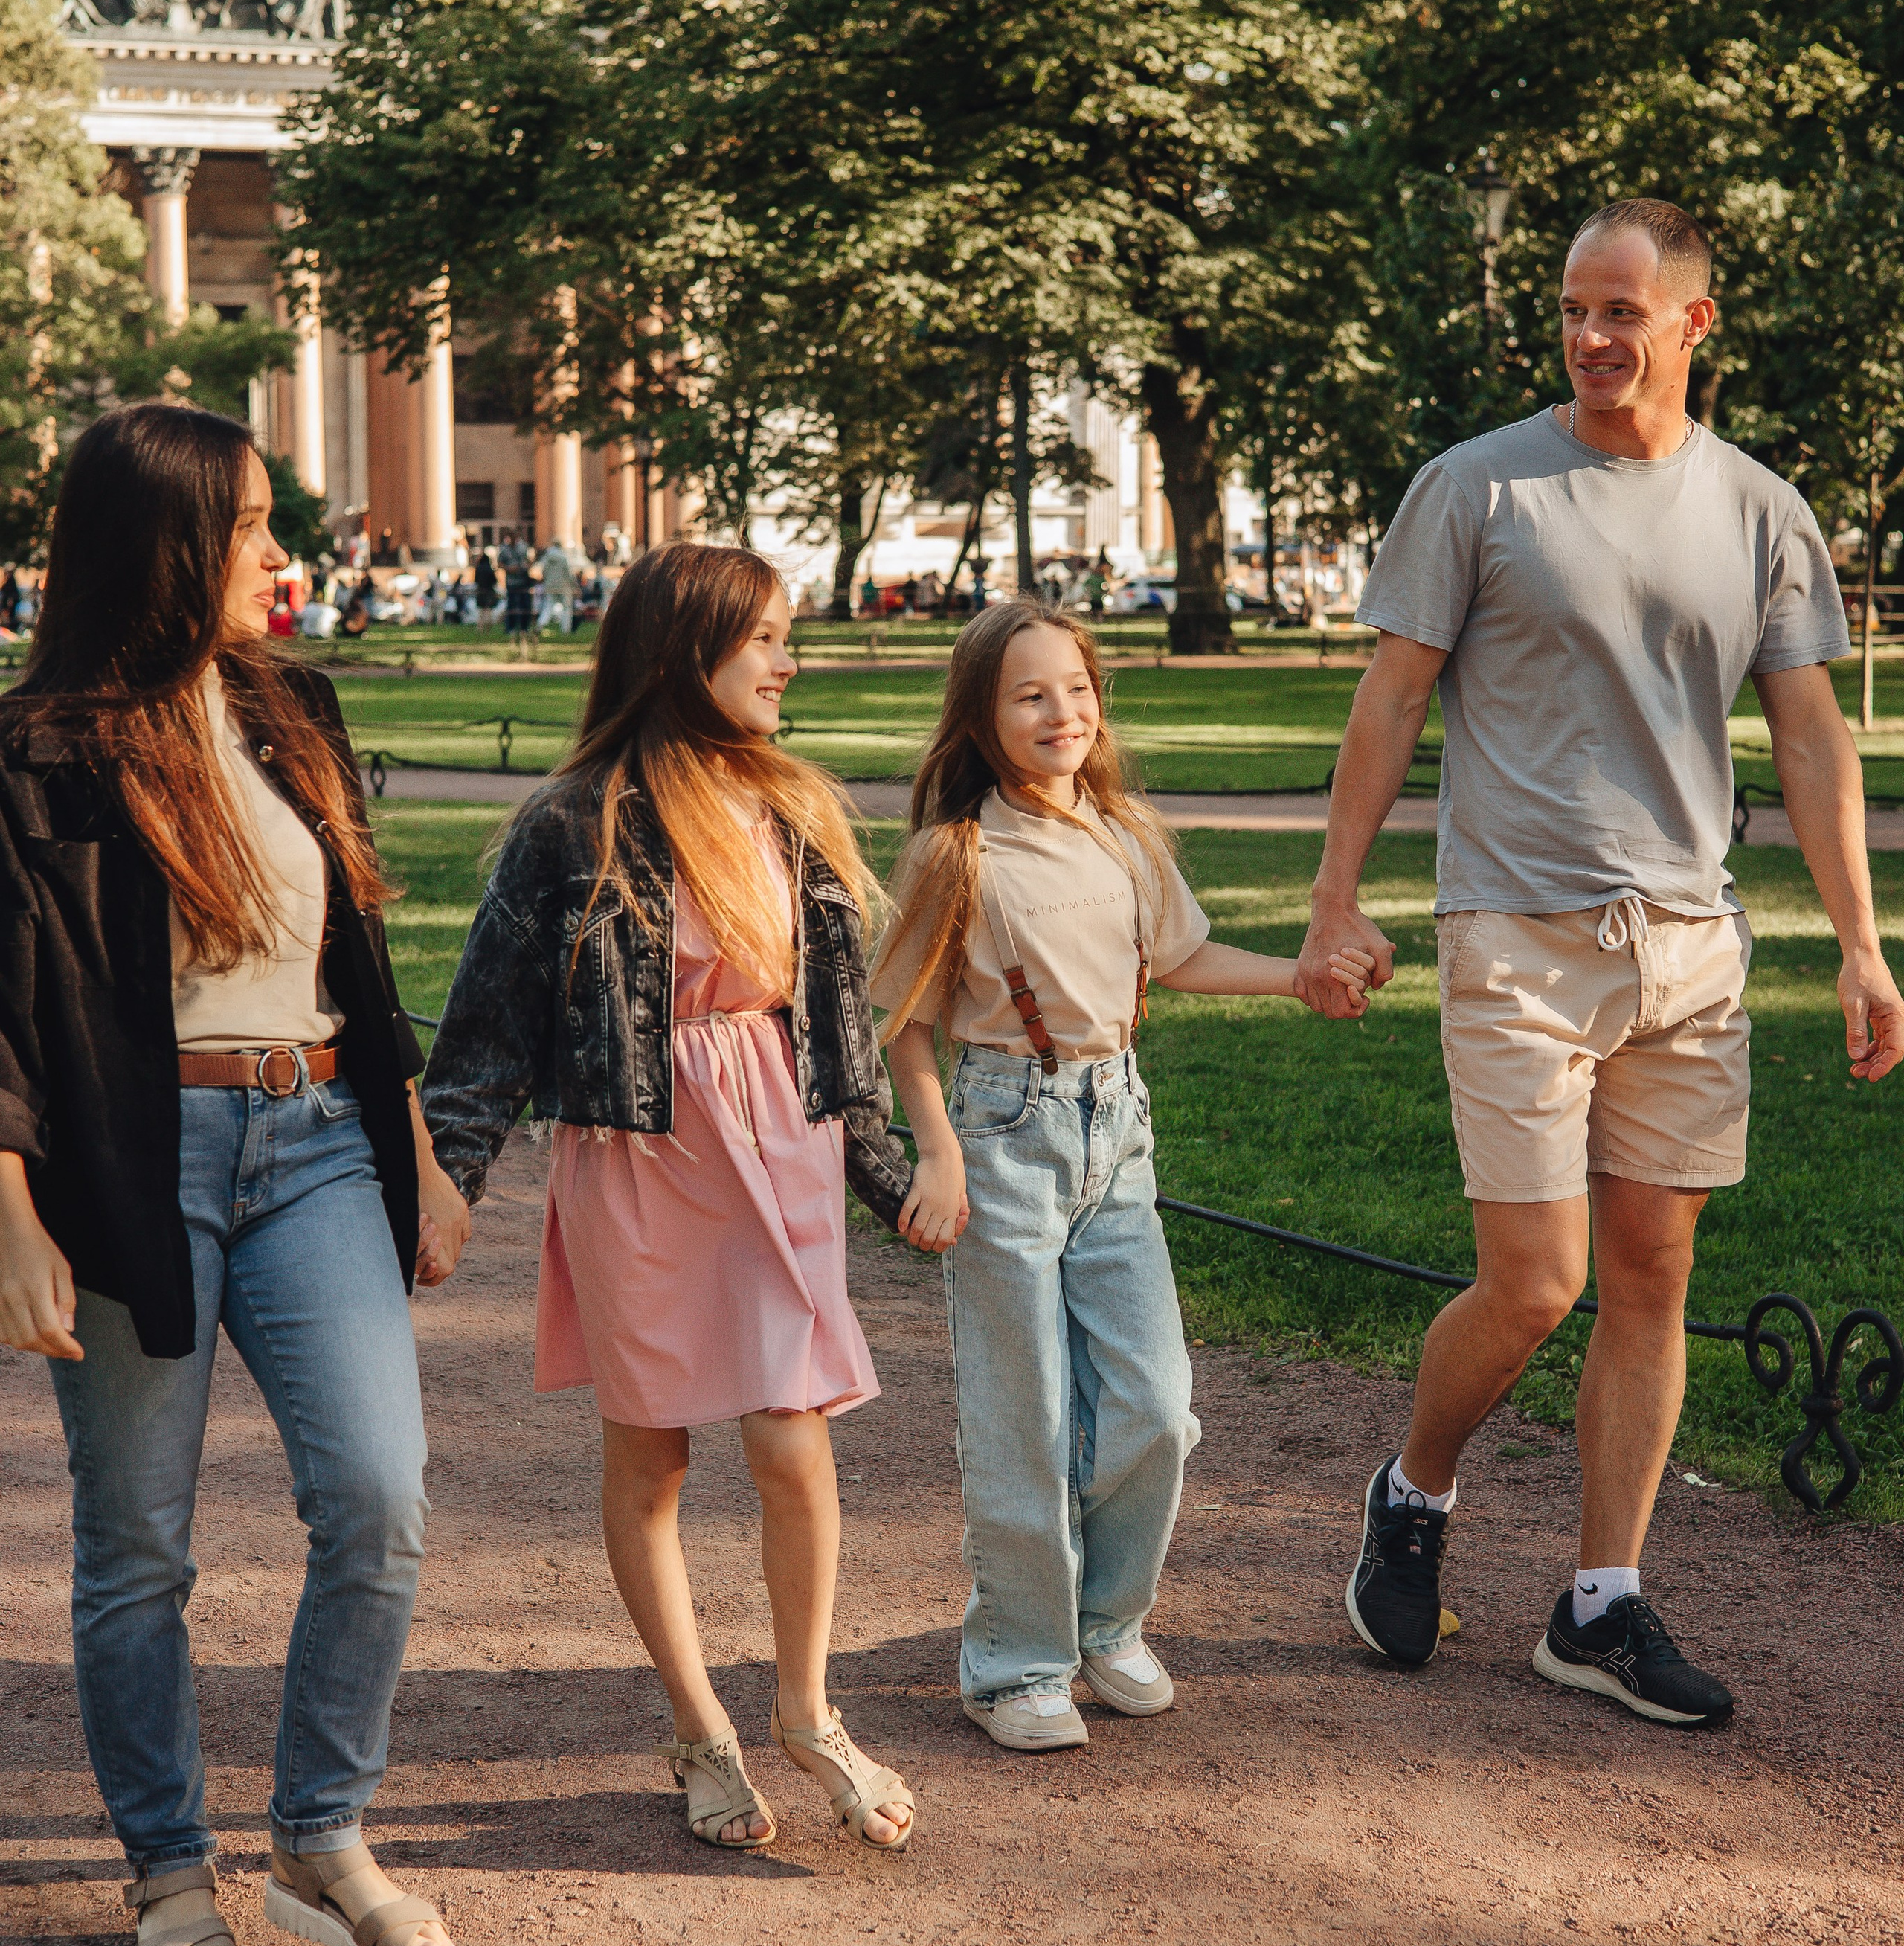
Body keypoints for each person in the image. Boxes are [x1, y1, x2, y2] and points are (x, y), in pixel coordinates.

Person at [1302, 196, 1904, 1725]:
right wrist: (1329, 900)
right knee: (1535, 1281)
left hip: (1688, 947)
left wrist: (1854, 942)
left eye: (1620, 311)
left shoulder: (1758, 511)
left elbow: (1809, 731)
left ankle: (1597, 1602)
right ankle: (1411, 1486)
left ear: (1693, 325)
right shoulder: (1476, 489)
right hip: (1511, 933)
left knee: (1649, 1274)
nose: (1588, 337)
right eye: (1573, 308)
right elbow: (1387, 703)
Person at [0, 404, 472, 1946]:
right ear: (164, 544)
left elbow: (359, 962)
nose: (285, 552)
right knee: (138, 1545)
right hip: (141, 1165)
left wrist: (412, 1141)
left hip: (319, 1138)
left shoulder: (296, 708)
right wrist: (12, 1209)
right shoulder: (35, 749)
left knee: (384, 1499)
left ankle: (320, 1839)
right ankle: (168, 1870)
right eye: (254, 524)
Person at [423, 546, 924, 1852]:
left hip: (779, 1141)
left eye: (786, 637)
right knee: (651, 1454)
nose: (786, 661)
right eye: (762, 637)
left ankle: (807, 1712)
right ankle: (700, 1727)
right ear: (682, 650)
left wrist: (885, 1175)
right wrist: (443, 1185)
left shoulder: (795, 809)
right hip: (641, 1159)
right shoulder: (570, 823)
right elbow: (486, 1034)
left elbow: (842, 1021)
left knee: (791, 1437)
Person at [872, 599, 1371, 1753]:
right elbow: (903, 1022)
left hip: (1118, 1128)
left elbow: (1184, 955)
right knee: (1024, 1411)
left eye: (1077, 690)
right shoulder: (959, 855)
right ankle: (1014, 1663)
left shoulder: (1125, 834)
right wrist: (937, 1150)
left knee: (1155, 1403)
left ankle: (1106, 1622)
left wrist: (1301, 977)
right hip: (1005, 1135)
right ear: (983, 719)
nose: (1063, 713)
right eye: (1031, 695)